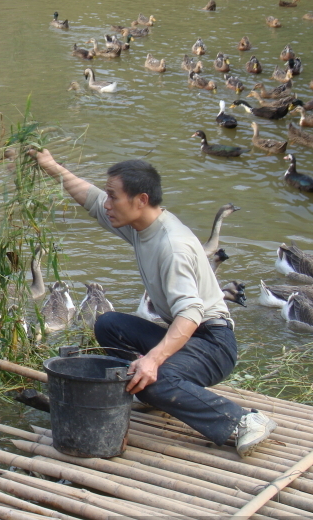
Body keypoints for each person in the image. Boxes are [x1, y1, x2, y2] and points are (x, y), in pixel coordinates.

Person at [32, 149, 276, 458]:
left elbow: (190, 313)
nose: (106, 204)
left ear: (141, 200)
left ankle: (244, 420)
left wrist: (152, 360)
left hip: (212, 343)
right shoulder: (141, 225)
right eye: (108, 195)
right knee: (109, 324)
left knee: (147, 380)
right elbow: (90, 198)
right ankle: (156, 387)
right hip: (185, 335)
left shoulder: (172, 246)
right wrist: (52, 166)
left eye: (113, 197)